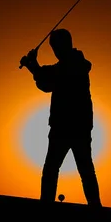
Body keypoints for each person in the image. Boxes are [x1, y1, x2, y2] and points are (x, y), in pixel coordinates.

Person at [20, 29, 102, 207]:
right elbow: (46, 83)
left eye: (55, 47)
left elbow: (49, 78)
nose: (55, 51)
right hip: (73, 125)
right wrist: (33, 66)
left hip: (69, 126)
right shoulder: (72, 65)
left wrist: (33, 65)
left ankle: (51, 206)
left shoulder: (75, 65)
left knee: (61, 169)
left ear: (63, 45)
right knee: (80, 169)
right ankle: (94, 207)